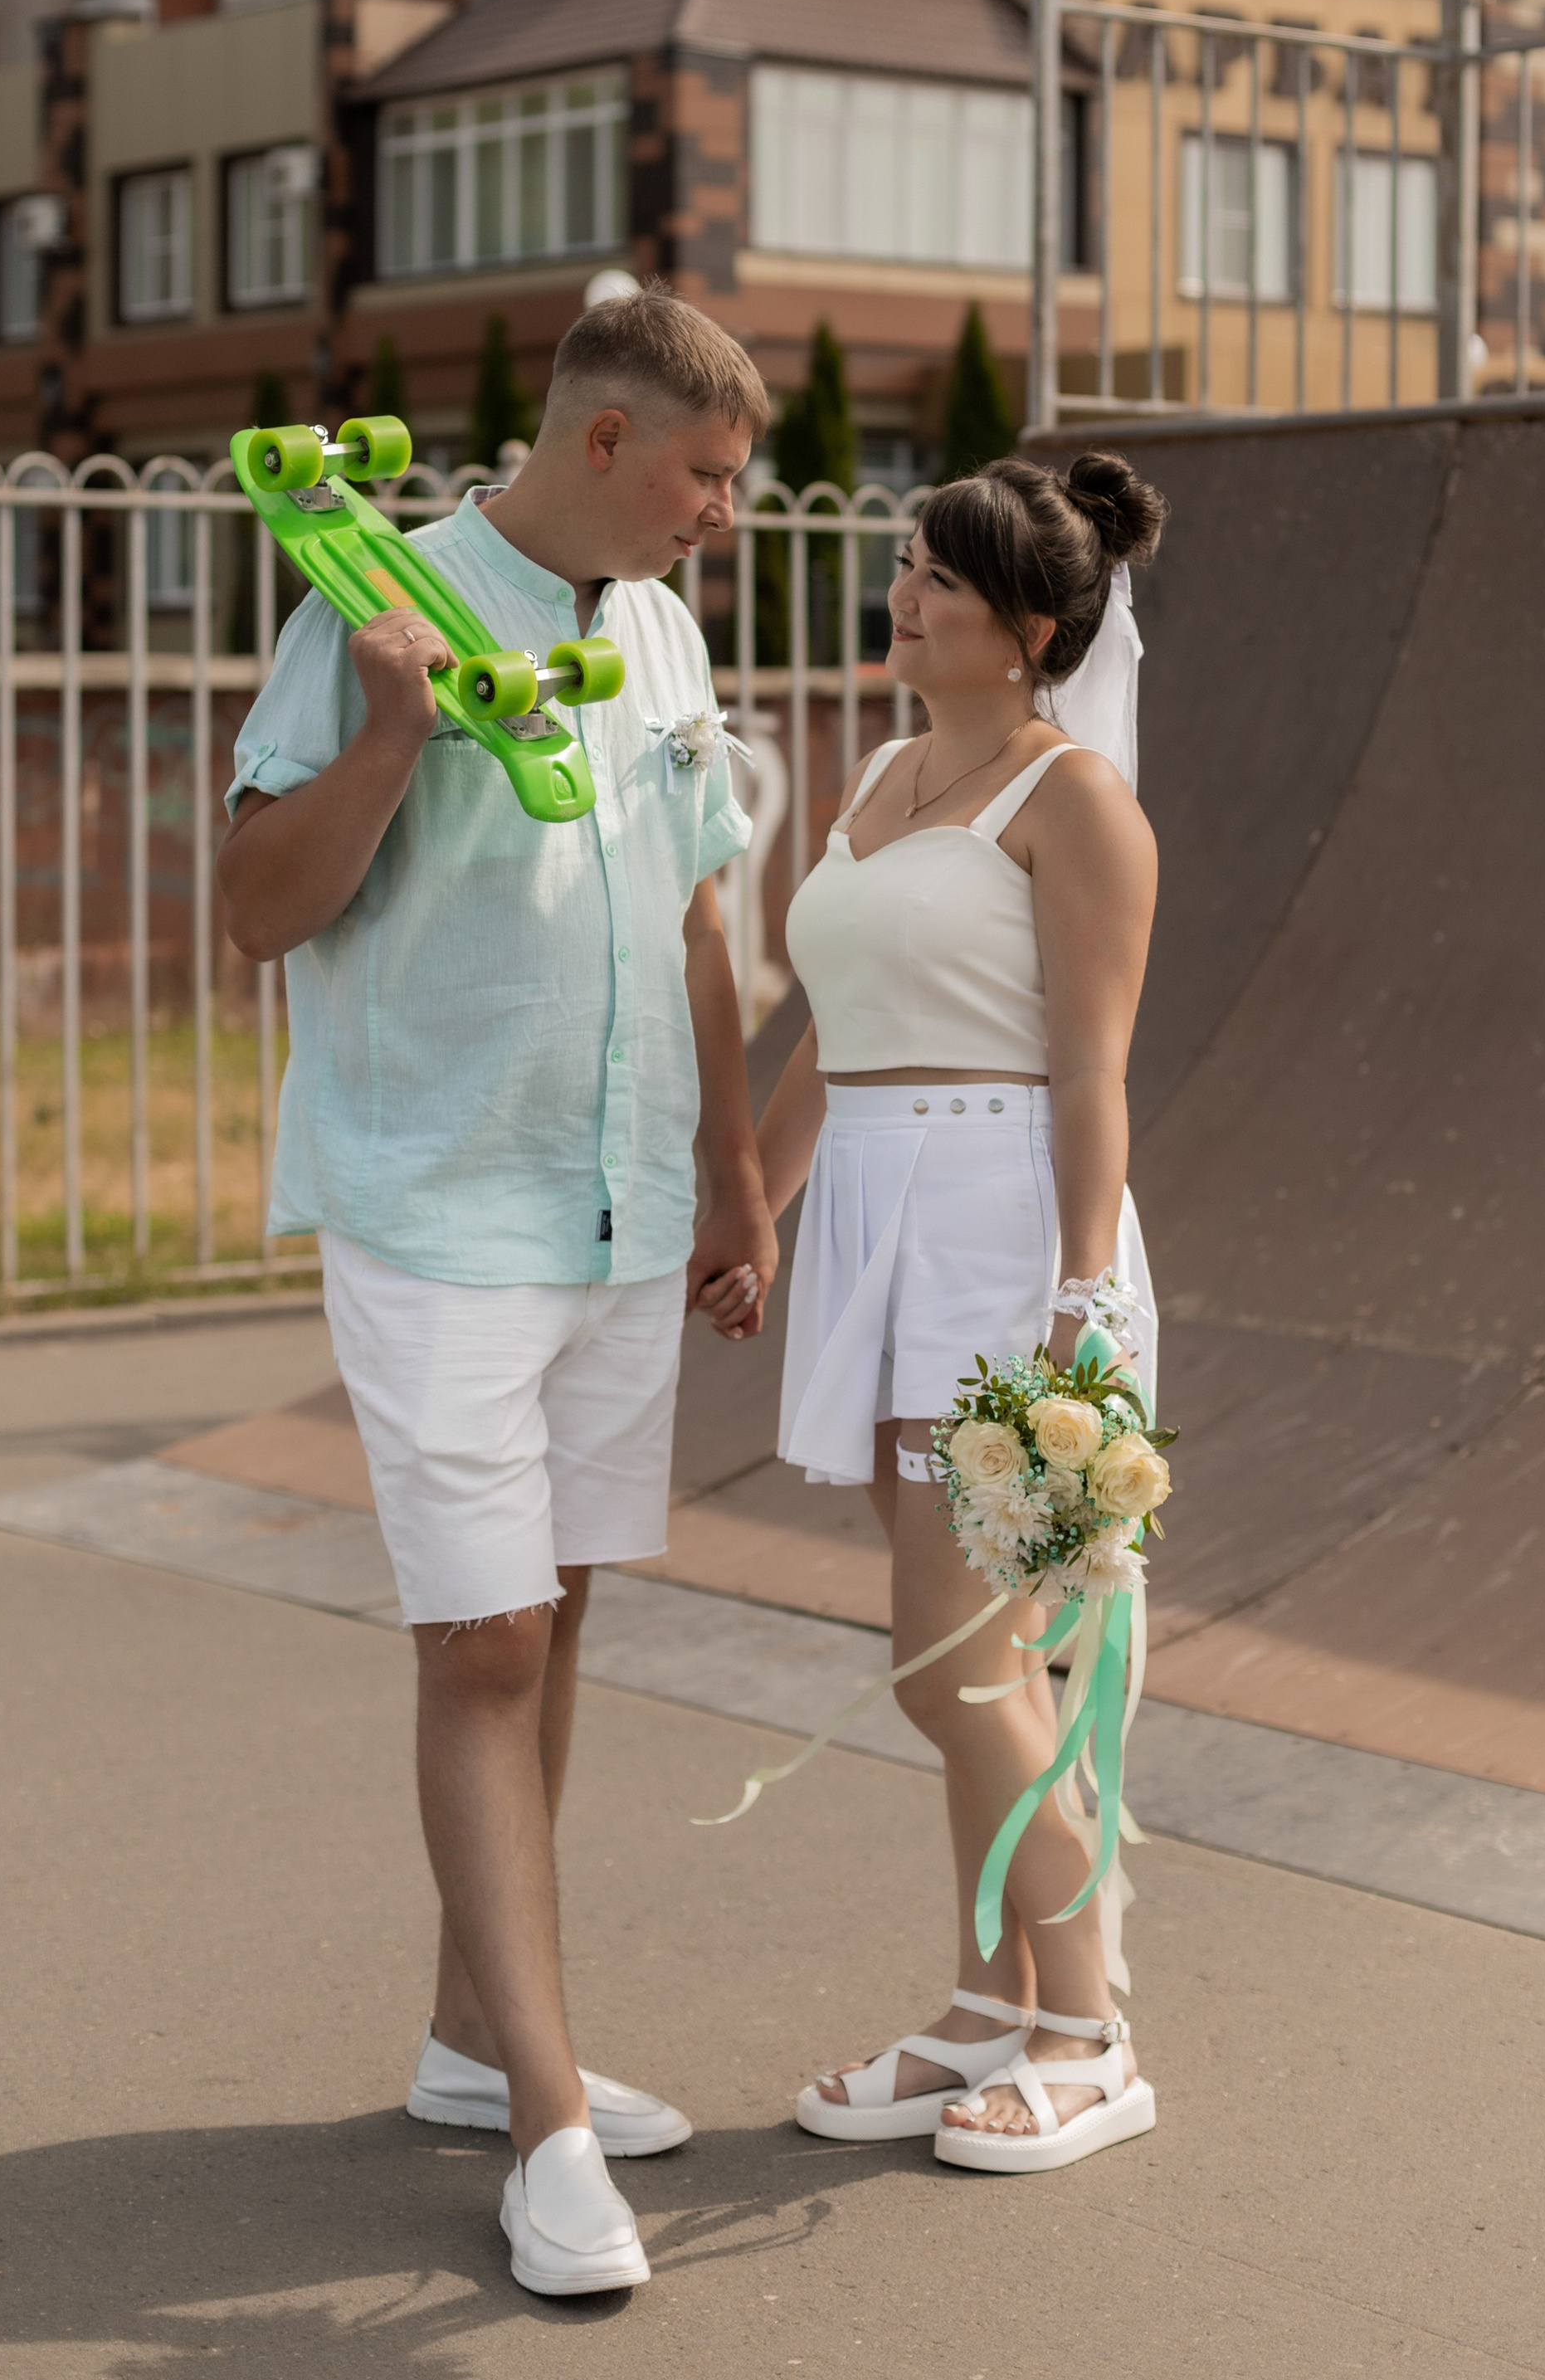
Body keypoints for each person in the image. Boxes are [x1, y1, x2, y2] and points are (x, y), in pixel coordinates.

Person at [217, 290, 778, 2298]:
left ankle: (475, 2037)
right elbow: (256, 908)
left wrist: (731, 1174)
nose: (725, 511)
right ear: (603, 440)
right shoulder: (369, 604)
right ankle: (547, 2127)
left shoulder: (662, 631)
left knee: (553, 1620)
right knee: (481, 1644)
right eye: (707, 474)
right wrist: (391, 732)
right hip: (434, 1205)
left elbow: (698, 910)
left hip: (619, 1207)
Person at [754, 451, 1166, 2176]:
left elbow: (1091, 1071)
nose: (902, 594)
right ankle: (990, 2003)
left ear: (1032, 630)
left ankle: (1087, 2030)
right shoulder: (882, 774)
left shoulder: (1077, 801)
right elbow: (829, 1025)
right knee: (974, 1661)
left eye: (940, 576)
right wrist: (755, 1204)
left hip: (999, 1235)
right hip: (868, 1217)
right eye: (906, 561)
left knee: (950, 1662)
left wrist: (1078, 1295)